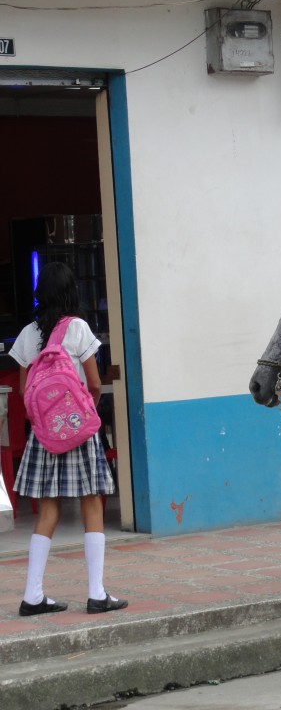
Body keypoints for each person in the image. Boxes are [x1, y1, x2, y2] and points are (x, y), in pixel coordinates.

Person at [11, 261, 127, 616]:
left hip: (44, 435)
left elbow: (23, 390)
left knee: (48, 508)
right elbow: (93, 384)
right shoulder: (77, 328)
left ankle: (33, 595)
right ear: (71, 291)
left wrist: (47, 422)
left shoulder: (28, 334)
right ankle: (96, 593)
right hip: (78, 431)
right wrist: (81, 416)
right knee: (93, 503)